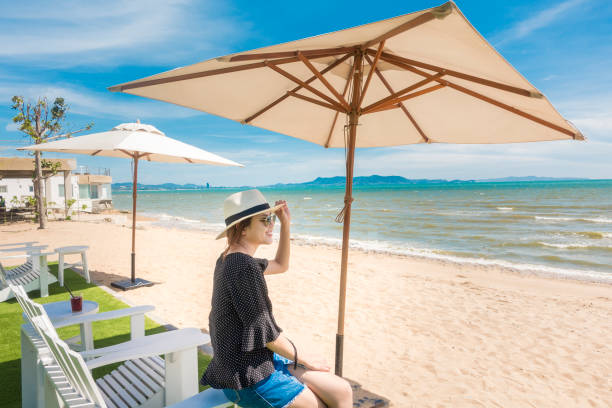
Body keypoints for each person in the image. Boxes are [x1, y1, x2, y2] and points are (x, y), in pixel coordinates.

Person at [201, 189, 353, 408]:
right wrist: (303, 357)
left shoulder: (231, 259)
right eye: (265, 220)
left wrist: (286, 224)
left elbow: (281, 265)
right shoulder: (243, 267)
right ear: (241, 228)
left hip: (256, 362)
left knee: (341, 390)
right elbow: (265, 333)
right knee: (318, 404)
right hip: (246, 377)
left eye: (271, 218)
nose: (271, 224)